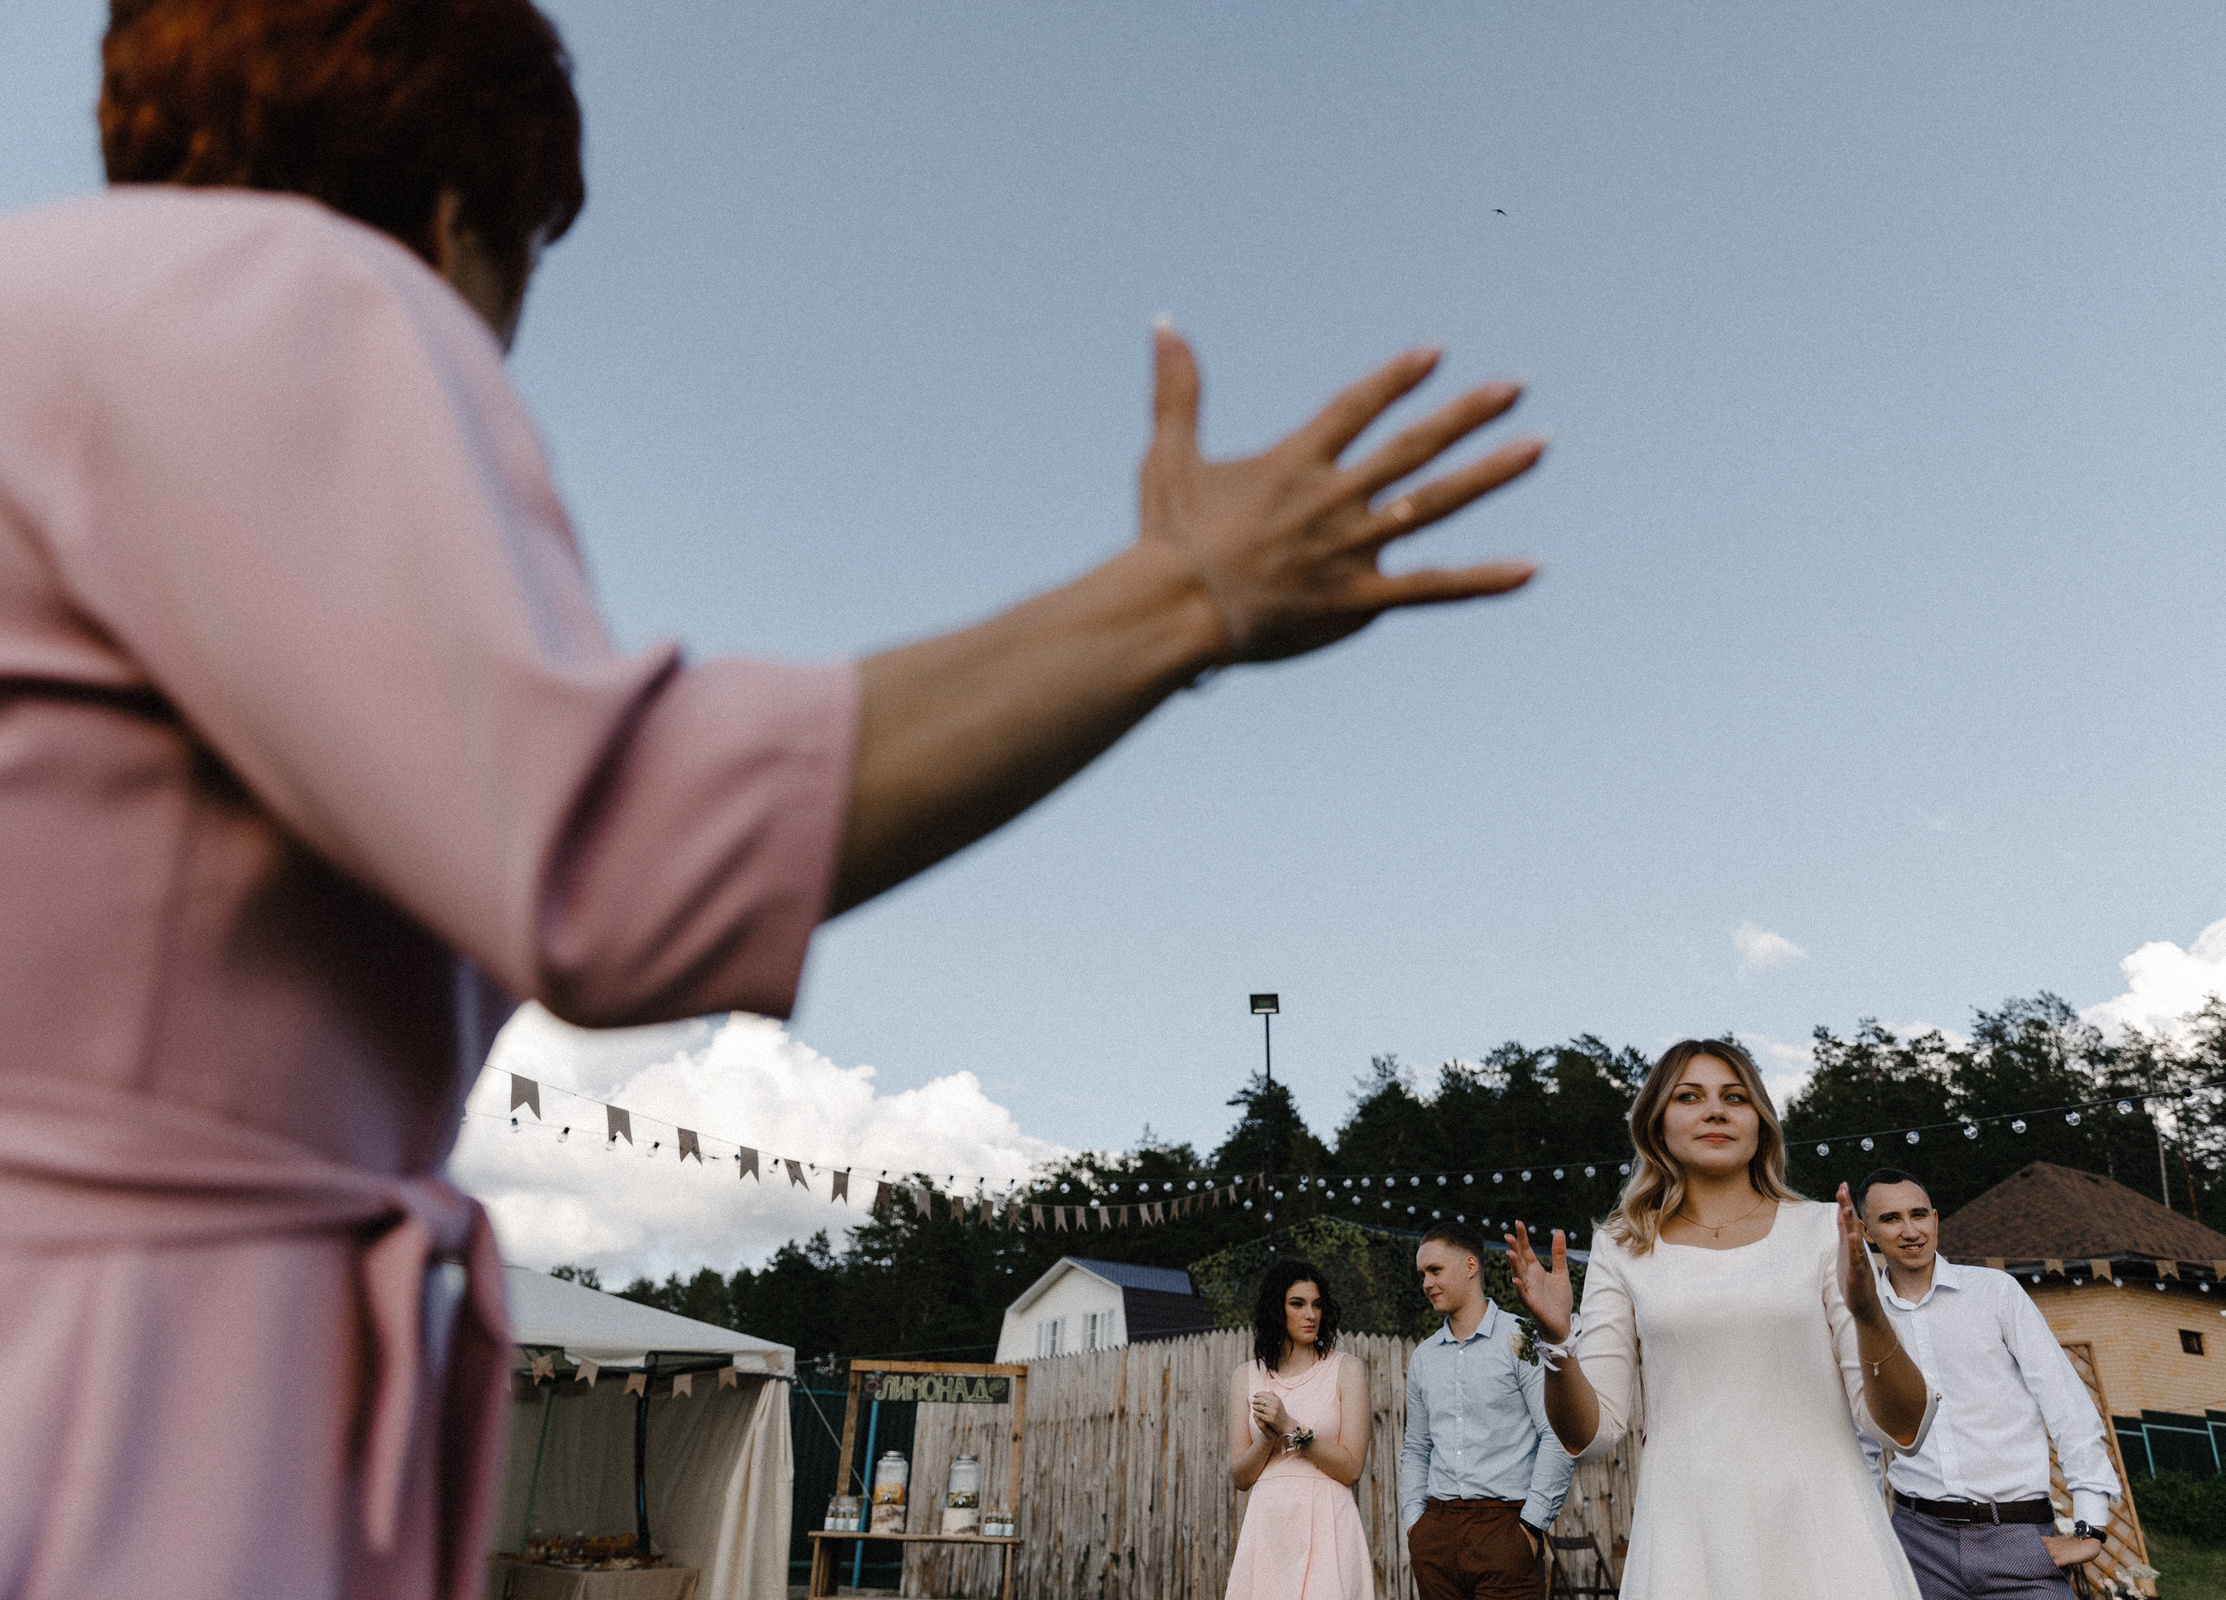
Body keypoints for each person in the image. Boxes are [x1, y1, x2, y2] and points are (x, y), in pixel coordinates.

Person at [0, 3, 1545, 1597]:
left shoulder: (47, 321)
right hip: (113, 1398)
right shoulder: (285, 288)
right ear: (463, 208)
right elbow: (611, 855)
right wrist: (1179, 600)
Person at [1503, 1039, 1937, 1600]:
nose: (1716, 1110)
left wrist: (1870, 1315)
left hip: (1827, 1535)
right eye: (1690, 1096)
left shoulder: (1824, 1229)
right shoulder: (1622, 1245)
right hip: (1691, 1540)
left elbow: (1901, 1428)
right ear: (1657, 1125)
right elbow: (1592, 1435)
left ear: (1760, 1122)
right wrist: (1556, 1341)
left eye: (1735, 1097)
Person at [1851, 1168, 2119, 1599]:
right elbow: (1859, 1437)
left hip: (2018, 1537)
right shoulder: (1862, 1318)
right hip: (1916, 1544)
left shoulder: (1996, 1293)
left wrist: (2090, 1525)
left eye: (1919, 1214)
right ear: (1866, 1231)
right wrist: (1868, 1533)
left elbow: (2066, 1405)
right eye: (1891, 1219)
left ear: (1935, 1220)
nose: (1910, 1230)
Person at [1401, 1222, 1577, 1600]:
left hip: (1506, 1530)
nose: (1427, 1283)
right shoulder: (1423, 1358)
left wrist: (1530, 1527)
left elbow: (1557, 1434)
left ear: (1469, 1266)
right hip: (1436, 1535)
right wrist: (1415, 1525)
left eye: (1435, 1270)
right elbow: (1416, 1448)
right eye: (1422, 1275)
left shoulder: (1521, 1339)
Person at [1226, 1261, 1375, 1600]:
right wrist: (1267, 1437)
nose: (1311, 1314)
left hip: (1328, 1519)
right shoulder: (1246, 1376)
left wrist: (1290, 1427)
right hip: (1269, 1525)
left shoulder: (1345, 1370)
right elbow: (1240, 1477)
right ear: (1276, 1308)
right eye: (1298, 1303)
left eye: (1317, 1304)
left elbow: (1351, 1469)